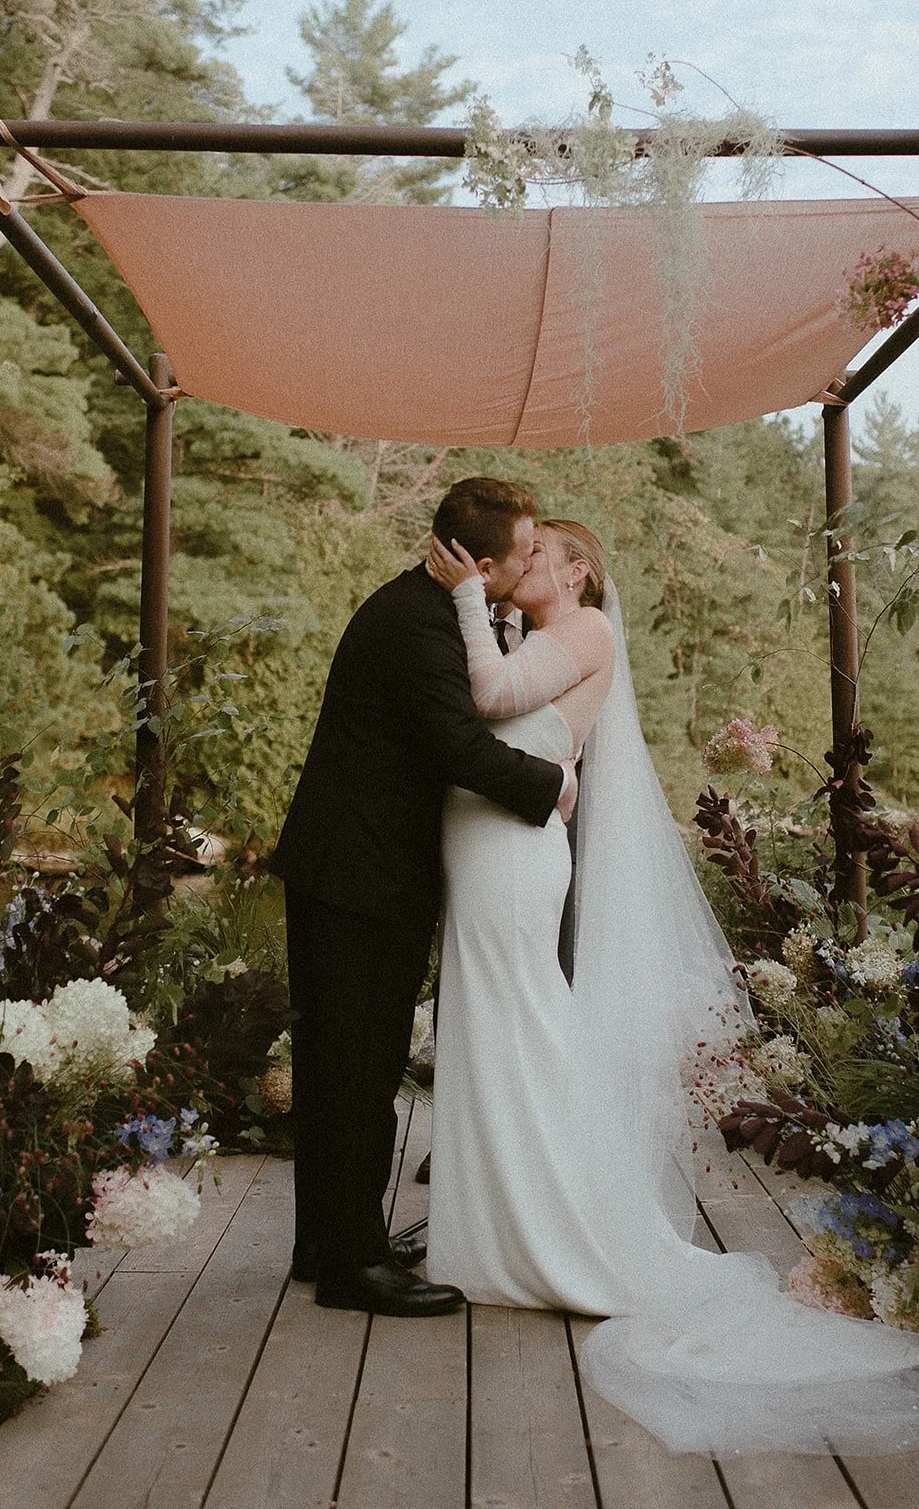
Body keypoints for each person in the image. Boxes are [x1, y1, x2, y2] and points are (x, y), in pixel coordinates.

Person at [422, 518, 919, 1455]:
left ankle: (554, 1232)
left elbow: (492, 698)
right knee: (499, 1032)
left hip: (510, 856)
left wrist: (467, 600)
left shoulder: (582, 630)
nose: (522, 561)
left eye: (540, 551)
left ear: (582, 569)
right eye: (521, 551)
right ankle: (505, 1227)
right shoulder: (535, 634)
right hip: (490, 846)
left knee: (528, 1030)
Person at [268, 478, 576, 1317]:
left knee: (341, 1067)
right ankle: (354, 1268)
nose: (532, 561)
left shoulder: (430, 610)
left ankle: (323, 1244)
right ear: (481, 565)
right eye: (522, 552)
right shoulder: (415, 623)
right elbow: (458, 746)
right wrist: (551, 785)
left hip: (355, 870)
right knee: (358, 1070)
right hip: (358, 876)